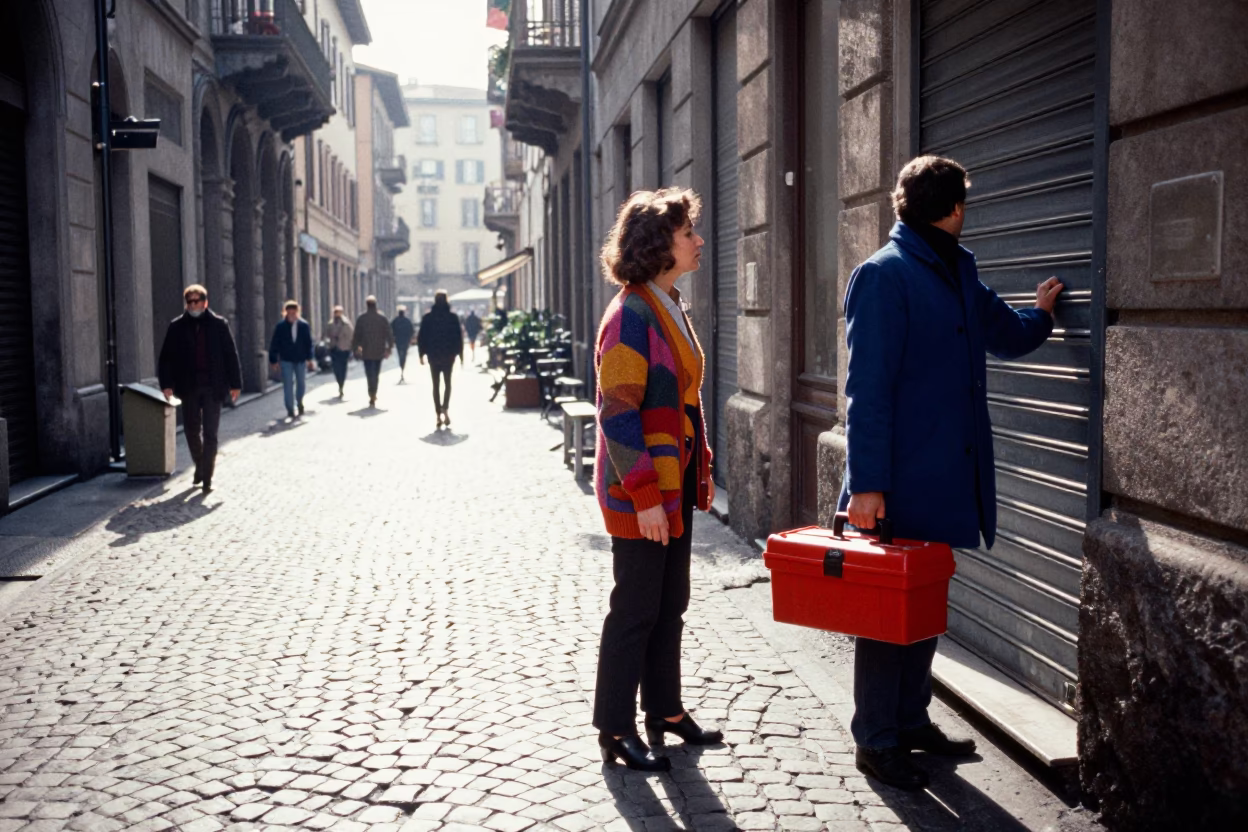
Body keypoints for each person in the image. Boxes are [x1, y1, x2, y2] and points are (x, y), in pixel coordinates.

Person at [840, 155, 1064, 790]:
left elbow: (1005, 332)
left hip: (947, 476)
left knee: (927, 604)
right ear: (956, 209)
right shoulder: (883, 276)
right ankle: (876, 740)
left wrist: (1043, 315)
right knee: (888, 615)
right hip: (897, 481)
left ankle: (910, 722)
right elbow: (868, 390)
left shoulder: (957, 270)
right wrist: (867, 485)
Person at [591, 188, 721, 772]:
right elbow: (618, 411)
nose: (697, 240)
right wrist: (644, 494)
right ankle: (615, 729)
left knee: (671, 602)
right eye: (687, 231)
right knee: (636, 608)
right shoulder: (629, 315)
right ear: (658, 245)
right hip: (641, 487)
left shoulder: (668, 303)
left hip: (673, 481)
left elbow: (683, 399)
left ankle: (664, 709)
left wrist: (701, 468)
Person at [157, 284, 242, 494]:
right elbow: (166, 358)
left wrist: (236, 384)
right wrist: (167, 384)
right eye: (190, 302)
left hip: (214, 386)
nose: (193, 305)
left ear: (205, 303)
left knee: (211, 433)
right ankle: (201, 465)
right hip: (189, 386)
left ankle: (207, 478)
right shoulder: (176, 326)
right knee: (191, 430)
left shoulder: (219, 325)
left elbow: (230, 355)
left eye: (197, 301)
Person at [416, 290, 464, 429]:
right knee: (448, 383)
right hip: (448, 356)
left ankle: (438, 414)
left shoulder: (428, 318)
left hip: (434, 356)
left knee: (435, 385)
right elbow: (458, 338)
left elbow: (421, 337)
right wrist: (460, 355)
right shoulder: (453, 317)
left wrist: (421, 354)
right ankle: (445, 409)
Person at [268, 300, 316, 420]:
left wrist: (310, 359)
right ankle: (290, 409)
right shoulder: (280, 327)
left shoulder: (304, 325)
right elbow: (275, 343)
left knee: (301, 383)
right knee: (288, 385)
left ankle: (299, 401)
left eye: (294, 312)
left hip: (300, 359)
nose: (291, 315)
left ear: (297, 312)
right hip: (286, 360)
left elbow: (308, 343)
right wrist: (273, 360)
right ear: (285, 312)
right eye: (289, 312)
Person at [352, 295, 393, 408]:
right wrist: (389, 348)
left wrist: (355, 348)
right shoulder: (382, 318)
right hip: (379, 351)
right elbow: (389, 334)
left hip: (366, 351)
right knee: (376, 373)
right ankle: (374, 392)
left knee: (369, 373)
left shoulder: (362, 319)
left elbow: (356, 335)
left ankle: (371, 393)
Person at [325, 305, 354, 397]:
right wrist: (328, 343)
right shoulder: (330, 324)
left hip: (344, 349)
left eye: (339, 312)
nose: (337, 314)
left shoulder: (346, 324)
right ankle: (339, 382)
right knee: (336, 368)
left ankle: (342, 384)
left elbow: (351, 336)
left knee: (343, 367)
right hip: (334, 349)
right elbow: (326, 335)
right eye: (335, 312)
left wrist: (351, 347)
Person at [391, 306, 415, 383]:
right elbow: (411, 330)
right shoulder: (407, 321)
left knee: (400, 354)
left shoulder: (395, 321)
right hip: (405, 341)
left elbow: (391, 330)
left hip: (398, 341)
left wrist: (393, 338)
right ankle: (402, 367)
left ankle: (402, 368)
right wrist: (409, 338)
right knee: (404, 355)